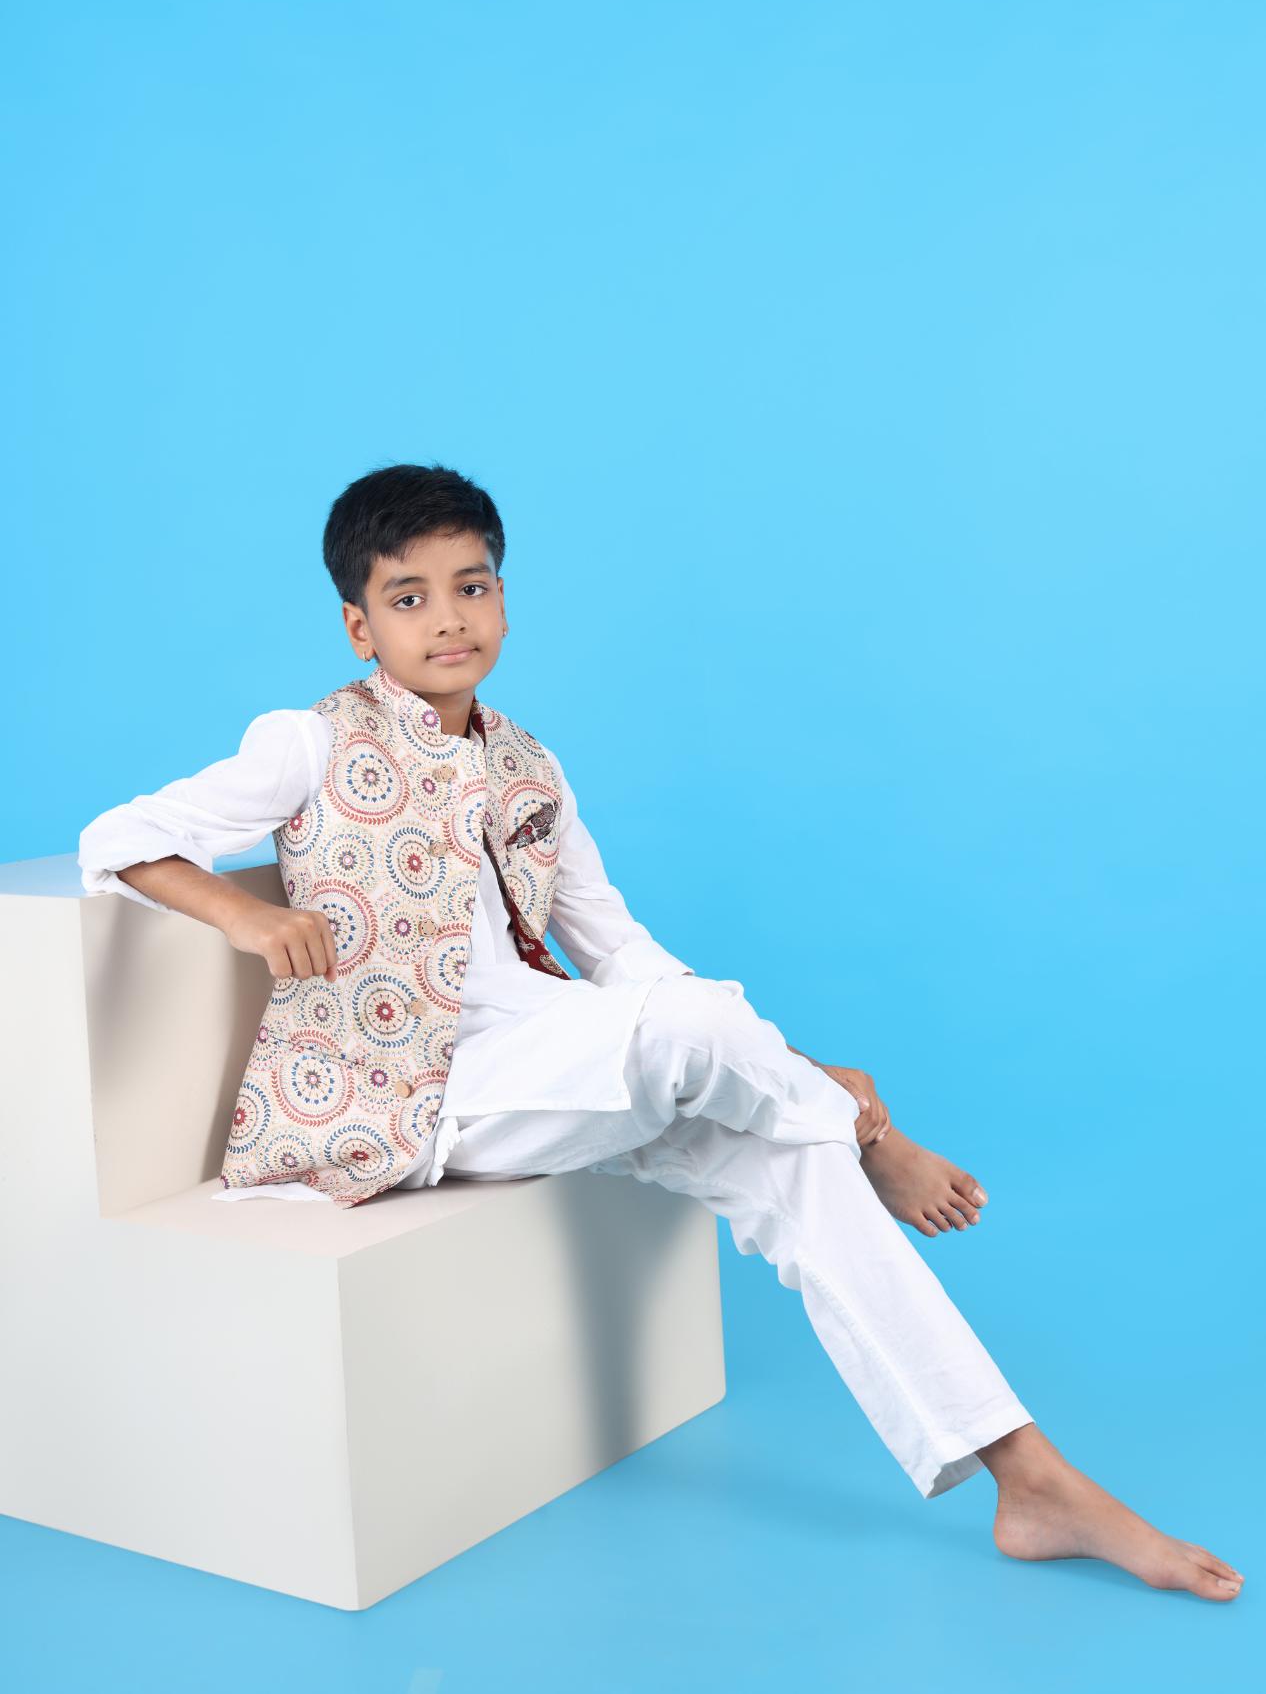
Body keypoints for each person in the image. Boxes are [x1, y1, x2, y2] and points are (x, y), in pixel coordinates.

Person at [78, 462, 1243, 1600]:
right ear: (358, 626)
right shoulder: (310, 740)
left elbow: (623, 954)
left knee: (792, 1161)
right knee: (752, 1078)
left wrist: (772, 1063)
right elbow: (119, 837)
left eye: (472, 587)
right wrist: (242, 914)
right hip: (407, 1092)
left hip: (549, 1052)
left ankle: (1029, 1480)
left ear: (503, 599)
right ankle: (865, 1130)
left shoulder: (530, 764)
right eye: (409, 596)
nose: (448, 619)